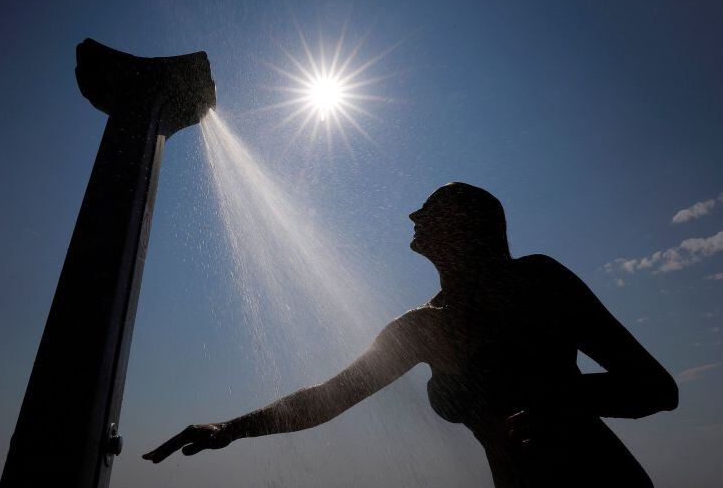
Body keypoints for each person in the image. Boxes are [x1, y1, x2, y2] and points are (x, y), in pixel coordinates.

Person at [143, 182, 678, 488]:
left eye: (434, 208)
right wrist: (230, 428)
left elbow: (656, 388)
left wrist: (558, 402)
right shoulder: (423, 326)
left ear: (470, 227)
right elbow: (327, 399)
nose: (413, 215)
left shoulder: (537, 280)